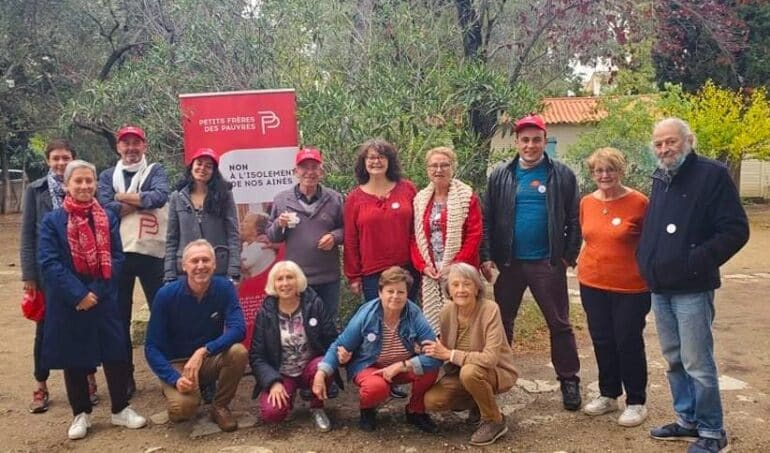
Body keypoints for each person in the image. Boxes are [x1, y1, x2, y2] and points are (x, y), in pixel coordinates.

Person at [637, 118, 749, 453]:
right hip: (660, 287)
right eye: (658, 144)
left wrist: (694, 261)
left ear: (689, 140)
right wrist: (646, 260)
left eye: (670, 142)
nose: (664, 149)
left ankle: (713, 431)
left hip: (693, 288)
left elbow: (735, 230)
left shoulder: (712, 175)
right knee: (673, 358)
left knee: (697, 362)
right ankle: (687, 421)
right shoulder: (660, 177)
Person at [480, 113, 582, 411]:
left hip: (547, 263)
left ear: (544, 140)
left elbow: (575, 220)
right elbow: (487, 219)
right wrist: (487, 256)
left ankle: (569, 381)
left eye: (536, 140)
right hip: (509, 263)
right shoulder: (501, 174)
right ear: (517, 142)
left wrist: (567, 256)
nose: (530, 145)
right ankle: (500, 376)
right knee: (502, 323)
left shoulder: (562, 174)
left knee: (559, 324)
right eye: (525, 140)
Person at [38, 160, 147, 440]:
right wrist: (78, 294)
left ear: (96, 184)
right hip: (69, 300)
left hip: (103, 297)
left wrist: (95, 293)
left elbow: (117, 258)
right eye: (79, 181)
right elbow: (49, 263)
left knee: (115, 352)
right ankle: (81, 413)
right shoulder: (52, 221)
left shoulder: (107, 217)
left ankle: (120, 408)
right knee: (74, 356)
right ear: (67, 186)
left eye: (89, 181)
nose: (85, 186)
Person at [20, 139, 100, 412]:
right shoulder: (35, 190)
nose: (60, 163)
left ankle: (89, 379)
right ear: (47, 161)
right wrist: (30, 274)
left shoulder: (84, 186)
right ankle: (40, 385)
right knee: (45, 330)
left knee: (85, 325)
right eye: (55, 158)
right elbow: (27, 234)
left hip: (80, 271)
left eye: (65, 157)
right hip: (48, 273)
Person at [311, 266, 441, 433]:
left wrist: (401, 365)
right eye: (390, 291)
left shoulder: (414, 313)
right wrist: (321, 373)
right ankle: (367, 409)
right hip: (370, 366)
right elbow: (340, 345)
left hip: (400, 367)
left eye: (400, 292)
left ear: (407, 294)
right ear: (380, 293)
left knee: (430, 368)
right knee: (376, 388)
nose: (395, 296)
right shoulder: (366, 314)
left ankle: (415, 410)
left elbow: (436, 354)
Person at [577, 147, 651, 427]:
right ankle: (608, 394)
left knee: (628, 341)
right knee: (602, 340)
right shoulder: (586, 202)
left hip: (631, 287)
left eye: (610, 169)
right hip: (592, 283)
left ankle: (636, 401)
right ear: (593, 173)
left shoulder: (639, 202)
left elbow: (651, 242)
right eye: (599, 170)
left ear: (621, 171)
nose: (604, 175)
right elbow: (590, 237)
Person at [144, 239, 248, 432]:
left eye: (206, 260)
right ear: (184, 266)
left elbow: (239, 329)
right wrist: (173, 378)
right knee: (183, 411)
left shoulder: (224, 288)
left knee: (238, 352)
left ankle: (219, 406)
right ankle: (173, 387)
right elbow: (151, 347)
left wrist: (204, 351)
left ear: (214, 264)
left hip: (207, 358)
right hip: (177, 363)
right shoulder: (166, 295)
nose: (201, 266)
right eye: (194, 261)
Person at [98, 125, 170, 398]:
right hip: (117, 254)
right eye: (125, 144)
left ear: (144, 146)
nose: (131, 148)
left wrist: (120, 199)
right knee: (118, 319)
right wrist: (140, 201)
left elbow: (159, 197)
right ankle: (124, 377)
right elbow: (104, 208)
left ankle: (167, 374)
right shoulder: (107, 176)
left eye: (136, 143)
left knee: (162, 313)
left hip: (151, 254)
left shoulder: (156, 171)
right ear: (118, 147)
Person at [422, 263, 518, 446]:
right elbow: (445, 346)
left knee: (470, 372)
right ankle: (479, 403)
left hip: (496, 371)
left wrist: (450, 354)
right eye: (455, 285)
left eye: (467, 284)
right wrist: (431, 348)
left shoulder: (490, 309)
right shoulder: (447, 311)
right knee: (432, 401)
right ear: (448, 289)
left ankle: (494, 420)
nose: (461, 290)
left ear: (476, 287)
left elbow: (490, 359)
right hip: (462, 372)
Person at [249, 261, 342, 432]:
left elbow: (331, 340)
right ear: (273, 284)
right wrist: (272, 382)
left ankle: (317, 407)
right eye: (280, 279)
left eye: (290, 277)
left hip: (311, 367)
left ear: (298, 280)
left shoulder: (314, 304)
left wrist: (325, 369)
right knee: (272, 414)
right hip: (282, 372)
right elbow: (256, 356)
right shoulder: (265, 313)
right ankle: (287, 396)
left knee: (322, 365)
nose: (285, 283)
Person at [411, 146, 482, 333]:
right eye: (434, 165)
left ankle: (463, 356)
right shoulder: (420, 200)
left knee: (464, 313)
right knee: (437, 318)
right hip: (432, 269)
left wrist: (455, 265)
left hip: (461, 267)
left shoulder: (467, 197)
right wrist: (423, 266)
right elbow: (414, 237)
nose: (439, 170)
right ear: (427, 169)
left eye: (444, 165)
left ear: (453, 168)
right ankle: (439, 353)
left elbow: (475, 234)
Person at [267, 147, 344, 320]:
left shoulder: (334, 199)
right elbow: (272, 236)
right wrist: (280, 224)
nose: (309, 172)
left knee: (328, 323)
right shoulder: (282, 200)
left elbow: (348, 230)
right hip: (296, 278)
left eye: (314, 167)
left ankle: (328, 349)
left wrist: (334, 237)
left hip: (328, 277)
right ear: (296, 171)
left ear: (321, 172)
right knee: (300, 325)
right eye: (304, 167)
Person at [344, 139, 420, 303]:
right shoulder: (354, 199)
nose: (376, 161)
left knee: (408, 319)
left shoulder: (407, 189)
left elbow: (418, 229)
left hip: (407, 269)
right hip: (372, 274)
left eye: (382, 157)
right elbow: (350, 240)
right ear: (364, 162)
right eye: (371, 157)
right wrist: (353, 276)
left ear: (390, 161)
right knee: (380, 322)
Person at [164, 147, 239, 283]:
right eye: (199, 163)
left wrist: (234, 271)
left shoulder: (224, 195)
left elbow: (233, 234)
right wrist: (169, 273)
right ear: (191, 166)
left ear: (214, 172)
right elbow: (172, 238)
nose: (202, 168)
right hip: (186, 269)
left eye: (208, 166)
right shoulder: (177, 197)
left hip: (218, 268)